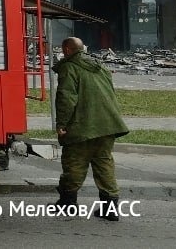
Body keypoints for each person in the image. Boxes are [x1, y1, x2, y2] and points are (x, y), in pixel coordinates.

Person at [53, 36, 129, 220]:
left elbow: (66, 98)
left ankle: (67, 204)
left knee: (74, 163)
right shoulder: (100, 66)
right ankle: (110, 208)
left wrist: (62, 124)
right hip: (107, 124)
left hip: (83, 125)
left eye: (64, 50)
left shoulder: (70, 67)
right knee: (104, 164)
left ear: (68, 50)